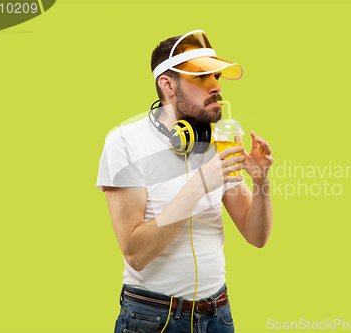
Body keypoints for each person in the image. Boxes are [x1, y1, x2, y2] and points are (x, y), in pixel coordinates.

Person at [96, 30, 274, 333]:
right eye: (202, 77)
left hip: (218, 314)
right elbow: (135, 253)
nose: (217, 86)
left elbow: (256, 236)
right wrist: (200, 184)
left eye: (216, 76)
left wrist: (260, 183)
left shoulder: (217, 141)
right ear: (168, 85)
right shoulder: (125, 142)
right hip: (152, 318)